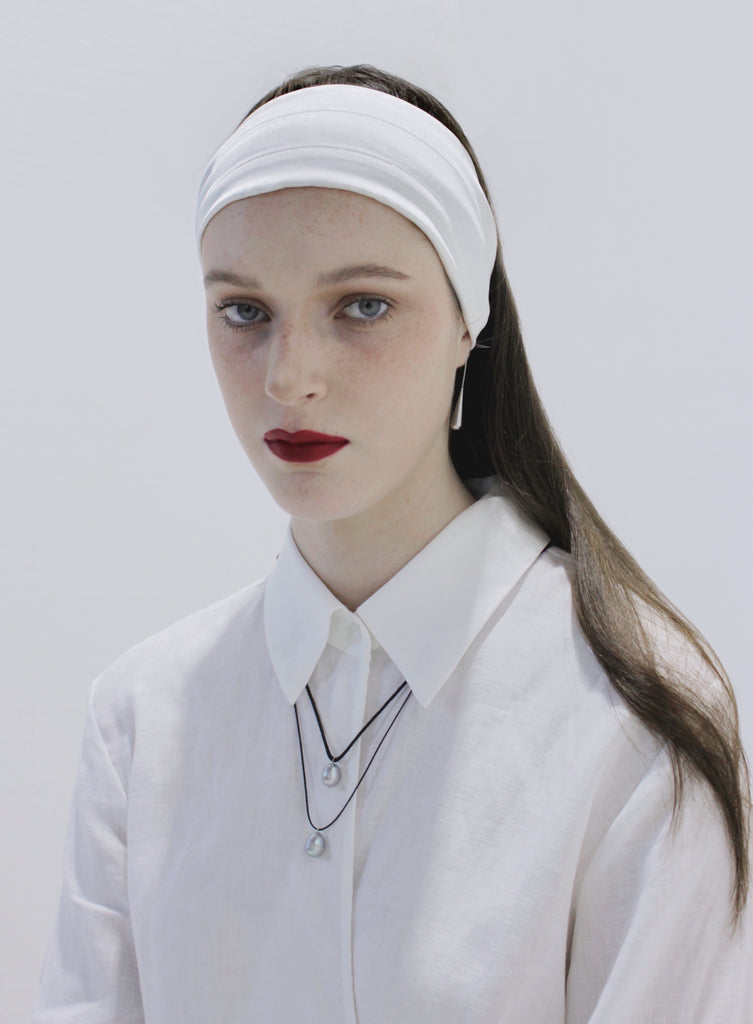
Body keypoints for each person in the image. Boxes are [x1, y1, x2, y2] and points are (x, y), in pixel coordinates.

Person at [33, 64, 751, 1023]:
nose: (290, 379)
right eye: (244, 311)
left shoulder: (630, 713)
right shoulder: (143, 717)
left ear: (467, 321)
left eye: (362, 305)